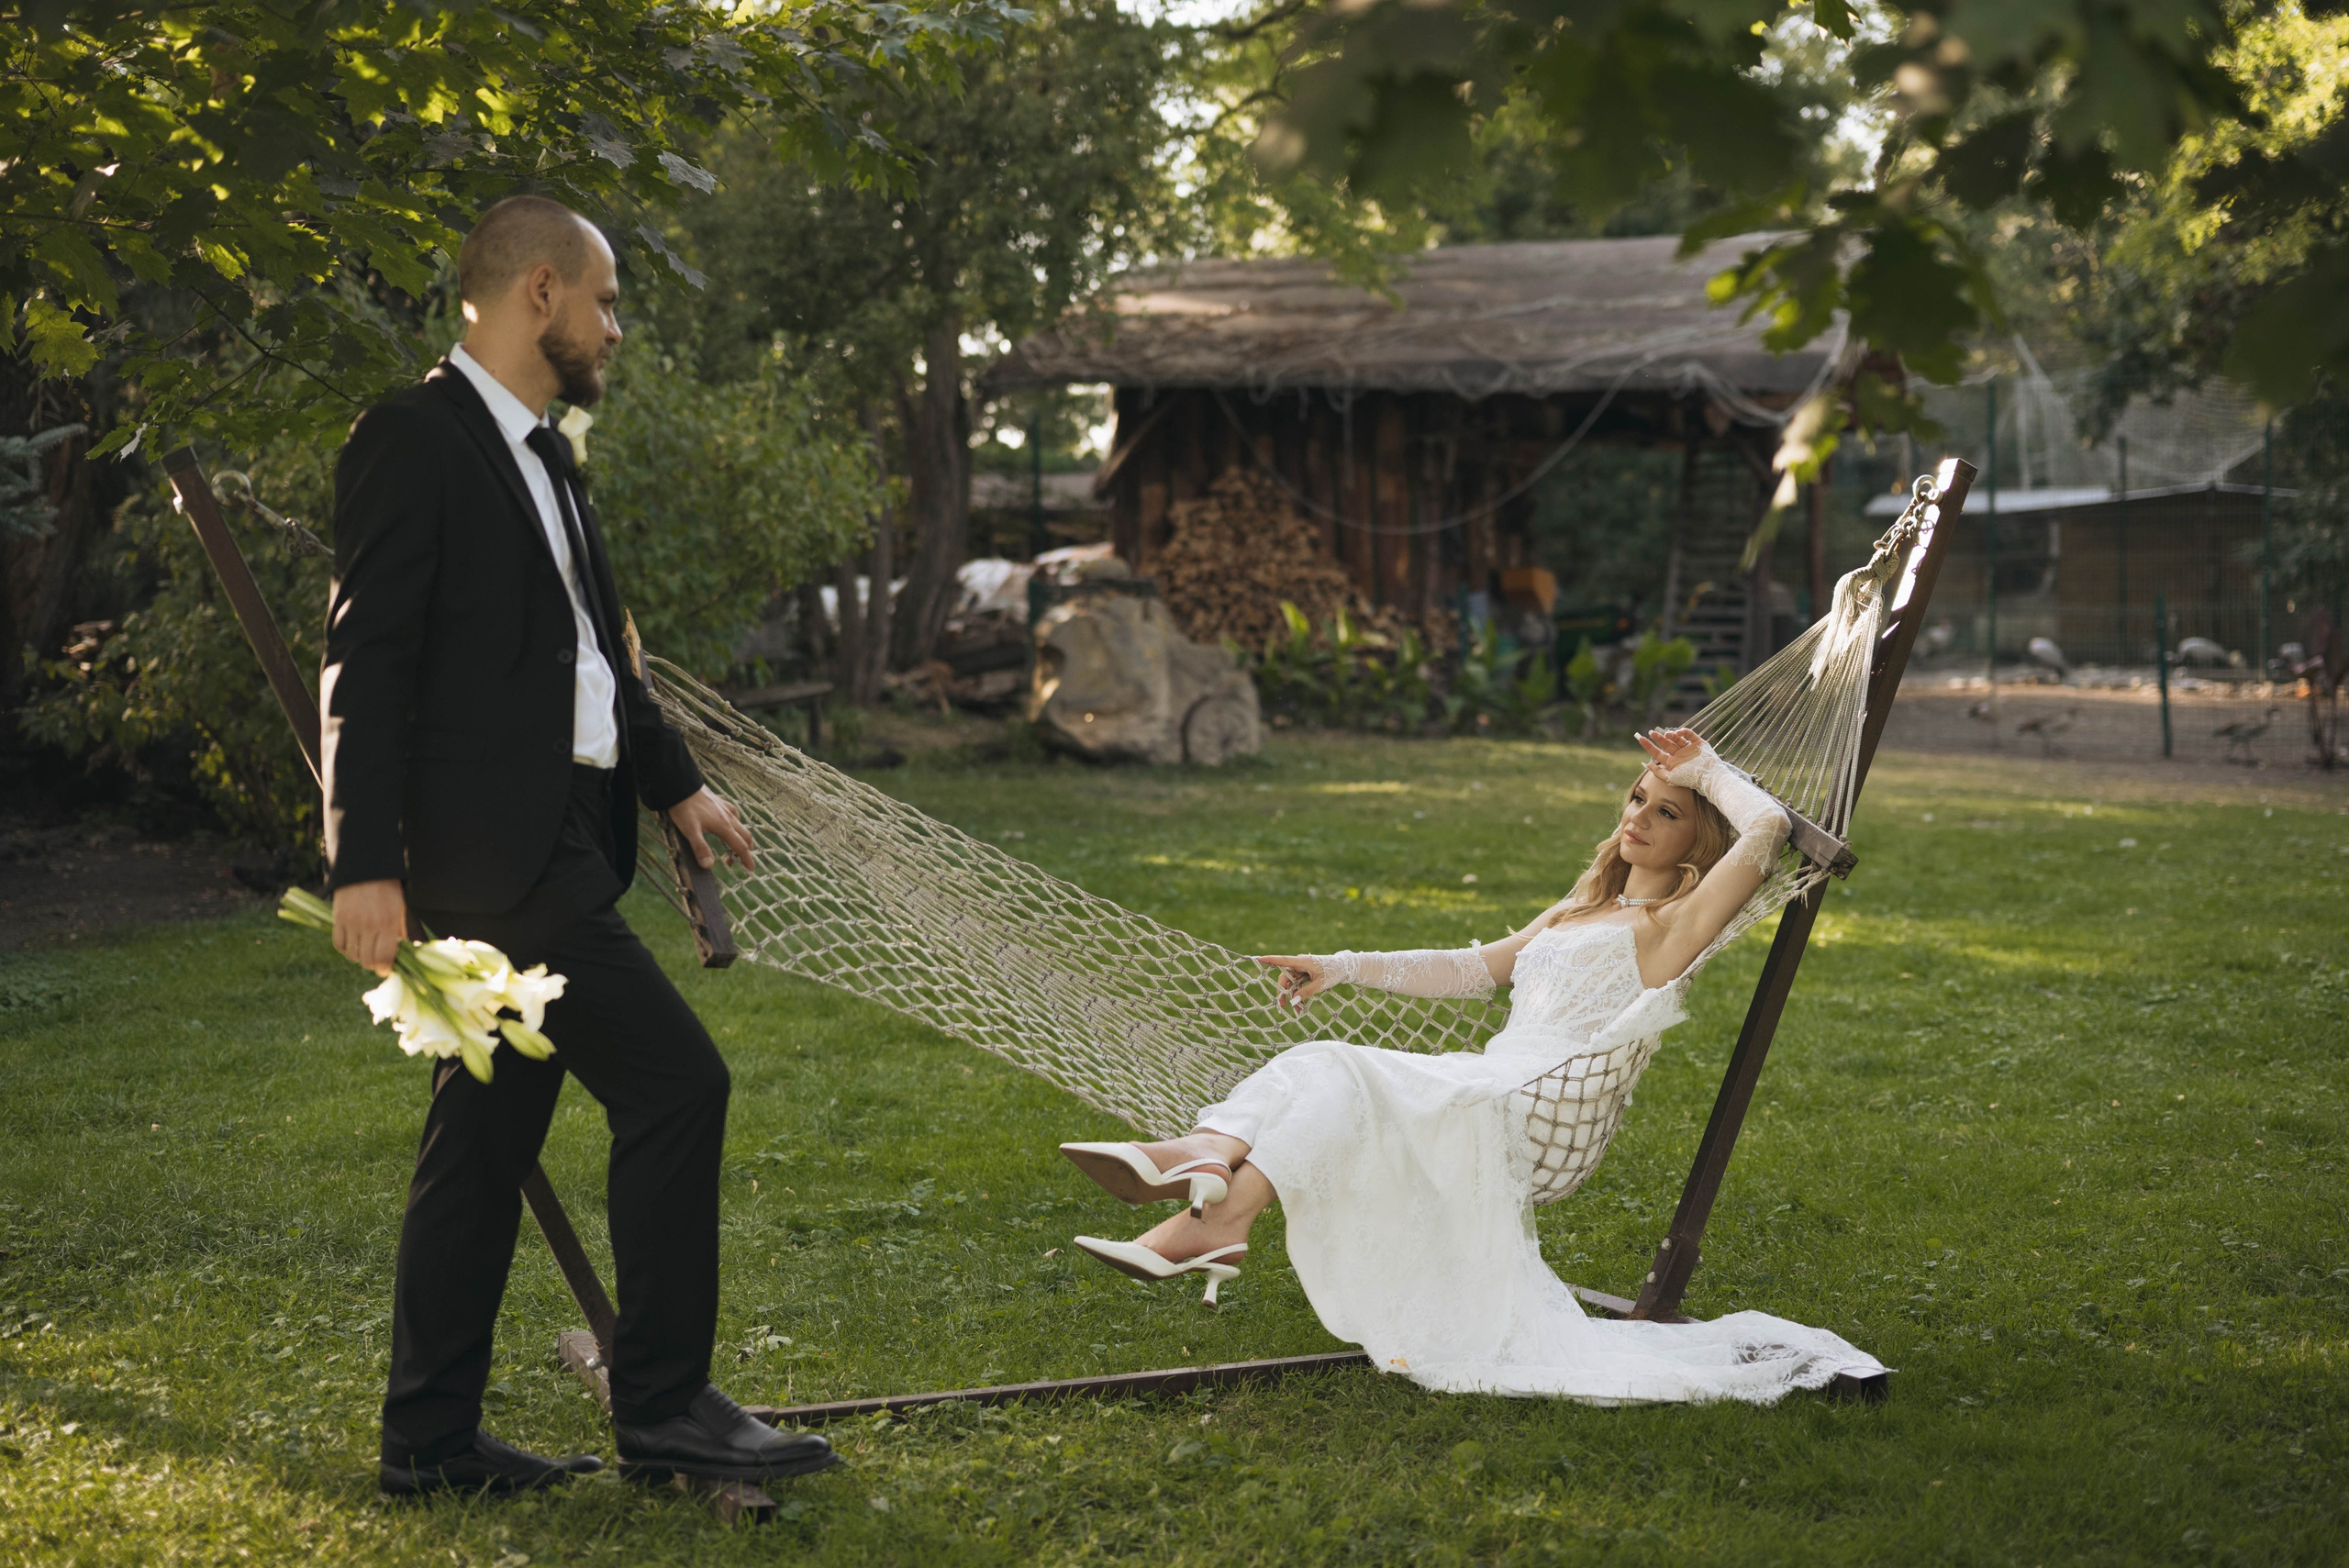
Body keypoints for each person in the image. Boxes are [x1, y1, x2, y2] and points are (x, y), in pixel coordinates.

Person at [324, 195, 836, 1495]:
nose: (615, 326)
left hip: (563, 833)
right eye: (606, 300)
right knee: (679, 1086)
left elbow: (604, 660)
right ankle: (663, 1407)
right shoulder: (412, 436)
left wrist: (675, 788)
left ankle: (428, 1445)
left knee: (482, 1146)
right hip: (490, 859)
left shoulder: (552, 455)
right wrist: (361, 862)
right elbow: (365, 664)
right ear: (538, 291)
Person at [1059, 728, 1886, 1404]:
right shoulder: (1581, 907)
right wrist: (1343, 964)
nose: (1638, 816)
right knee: (1324, 1063)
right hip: (1491, 1080)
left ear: (1695, 838)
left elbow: (1770, 829)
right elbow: (1474, 966)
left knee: (1339, 1070)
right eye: (1637, 797)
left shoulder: (1676, 926)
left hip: (1545, 1109)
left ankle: (1203, 1180)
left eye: (1665, 812)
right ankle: (1215, 1207)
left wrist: (1705, 768)